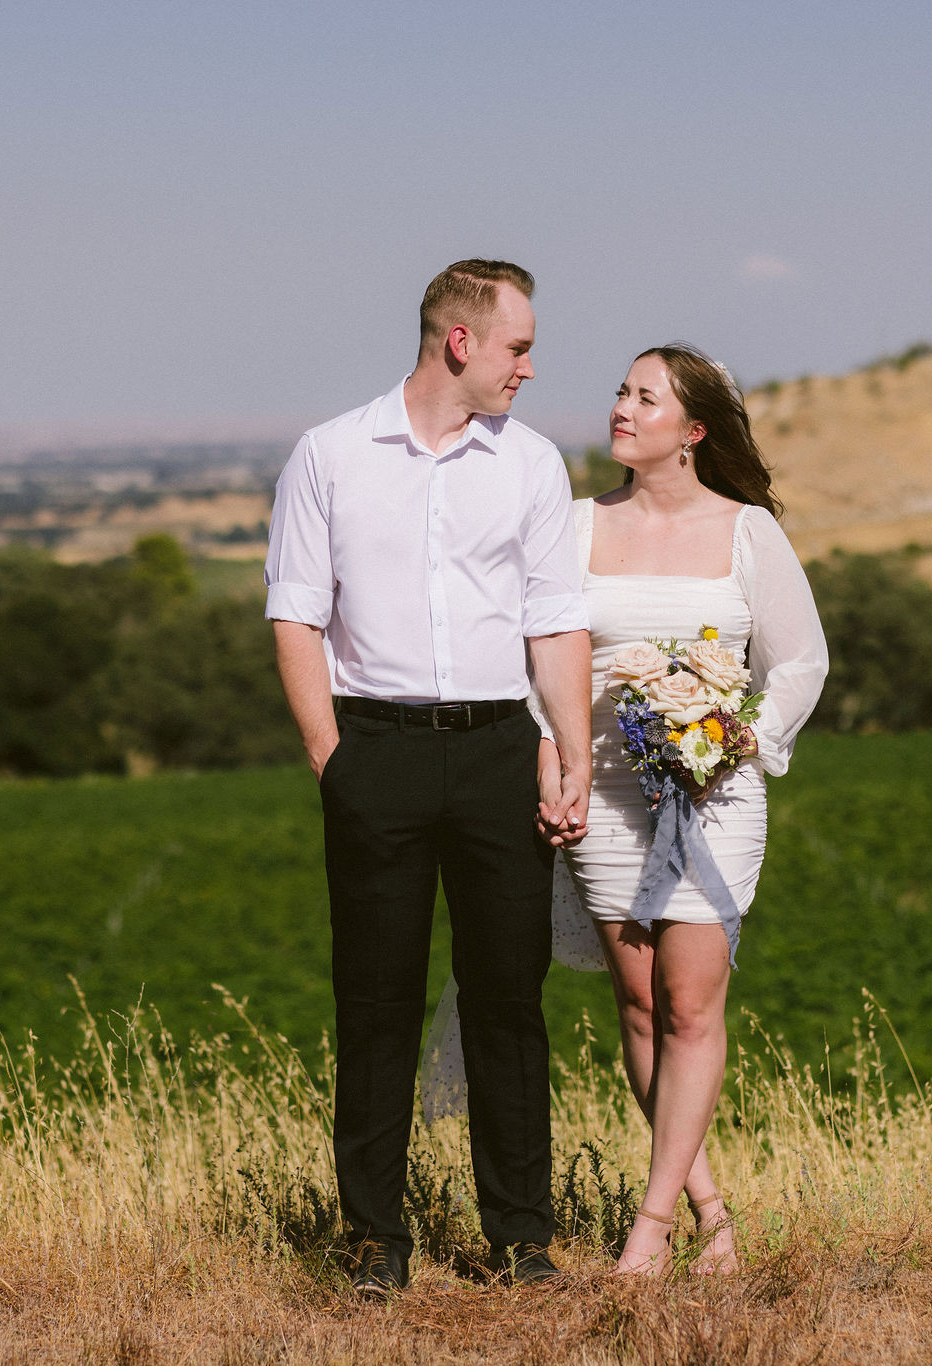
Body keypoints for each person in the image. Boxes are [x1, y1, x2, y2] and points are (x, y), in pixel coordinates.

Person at [421, 343, 828, 1276]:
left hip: (715, 799)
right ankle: (710, 1211)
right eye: (621, 392)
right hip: (602, 795)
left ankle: (649, 1226)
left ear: (693, 431)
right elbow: (537, 659)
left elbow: (801, 661)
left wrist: (740, 736)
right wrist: (553, 762)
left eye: (646, 398)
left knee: (691, 1005)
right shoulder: (573, 525)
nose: (622, 408)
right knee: (640, 1007)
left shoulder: (748, 534)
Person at [265, 259, 594, 1296]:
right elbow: (295, 613)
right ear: (460, 341)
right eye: (517, 348)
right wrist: (334, 760)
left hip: (502, 753)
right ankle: (374, 1240)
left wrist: (571, 752)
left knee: (509, 1001)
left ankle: (521, 1238)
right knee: (375, 1002)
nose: (527, 368)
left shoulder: (531, 463)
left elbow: (554, 620)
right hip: (378, 753)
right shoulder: (330, 454)